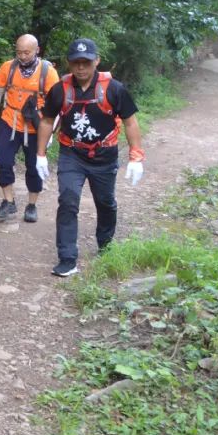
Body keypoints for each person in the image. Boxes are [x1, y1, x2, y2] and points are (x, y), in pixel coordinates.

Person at [36, 38, 144, 277]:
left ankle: (105, 244)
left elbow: (130, 121)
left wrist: (136, 156)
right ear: (69, 63)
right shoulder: (60, 90)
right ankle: (67, 258)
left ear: (97, 61)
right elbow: (46, 120)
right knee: (68, 200)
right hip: (71, 153)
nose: (81, 68)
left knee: (105, 202)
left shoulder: (113, 89)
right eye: (76, 62)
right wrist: (40, 154)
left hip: (104, 155)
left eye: (86, 62)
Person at [0, 34, 60, 223]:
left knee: (34, 167)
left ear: (37, 50)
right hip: (9, 121)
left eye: (27, 52)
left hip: (37, 126)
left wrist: (51, 131)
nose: (22, 56)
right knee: (3, 162)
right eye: (19, 52)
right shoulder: (8, 68)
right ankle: (8, 201)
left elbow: (58, 104)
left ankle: (32, 205)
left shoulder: (48, 73)